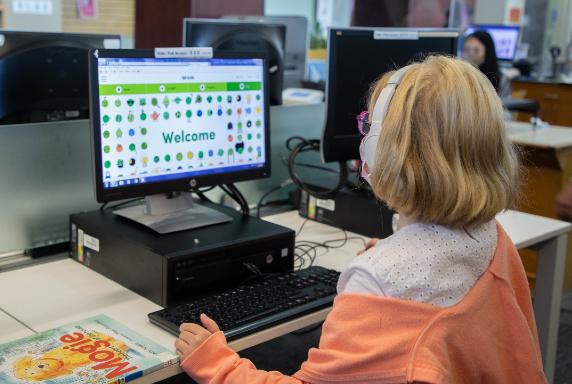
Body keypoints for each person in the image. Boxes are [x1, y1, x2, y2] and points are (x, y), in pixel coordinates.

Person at [174, 56, 547, 384]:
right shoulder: (491, 236)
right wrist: (394, 253)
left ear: (384, 150)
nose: (364, 132)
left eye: (369, 125)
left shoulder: (376, 280)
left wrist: (216, 363)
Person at [463, 30, 513, 98]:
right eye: (466, 49)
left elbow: (505, 106)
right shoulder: (460, 76)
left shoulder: (500, 80)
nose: (470, 54)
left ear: (487, 52)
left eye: (476, 50)